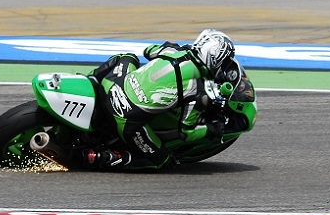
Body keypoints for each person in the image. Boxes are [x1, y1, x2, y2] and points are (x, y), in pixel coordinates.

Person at [83, 29, 245, 171]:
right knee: (161, 160)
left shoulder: (173, 51)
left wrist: (168, 50)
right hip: (125, 119)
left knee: (127, 57)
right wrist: (212, 129)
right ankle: (100, 157)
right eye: (225, 61)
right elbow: (185, 132)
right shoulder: (197, 90)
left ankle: (91, 81)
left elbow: (148, 51)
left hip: (112, 86)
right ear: (216, 59)